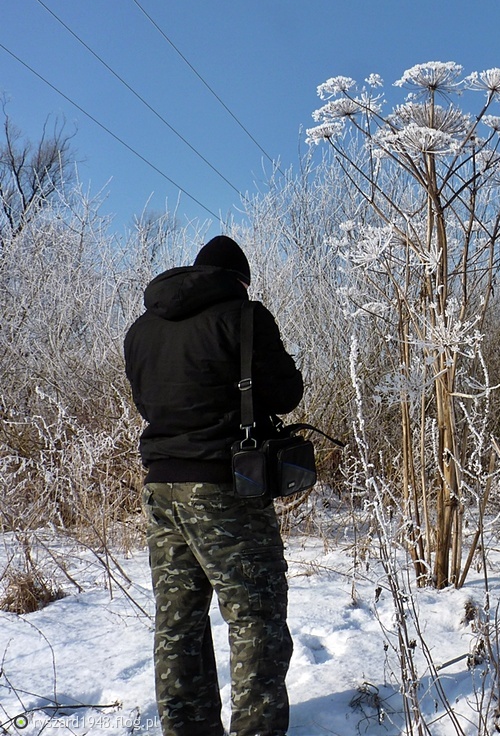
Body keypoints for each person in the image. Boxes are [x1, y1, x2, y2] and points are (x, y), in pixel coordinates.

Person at [124, 235, 303, 736]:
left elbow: (150, 403)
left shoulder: (141, 330)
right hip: (226, 489)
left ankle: (188, 729)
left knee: (178, 623)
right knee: (256, 617)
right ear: (238, 281)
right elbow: (287, 393)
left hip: (160, 488)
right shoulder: (244, 318)